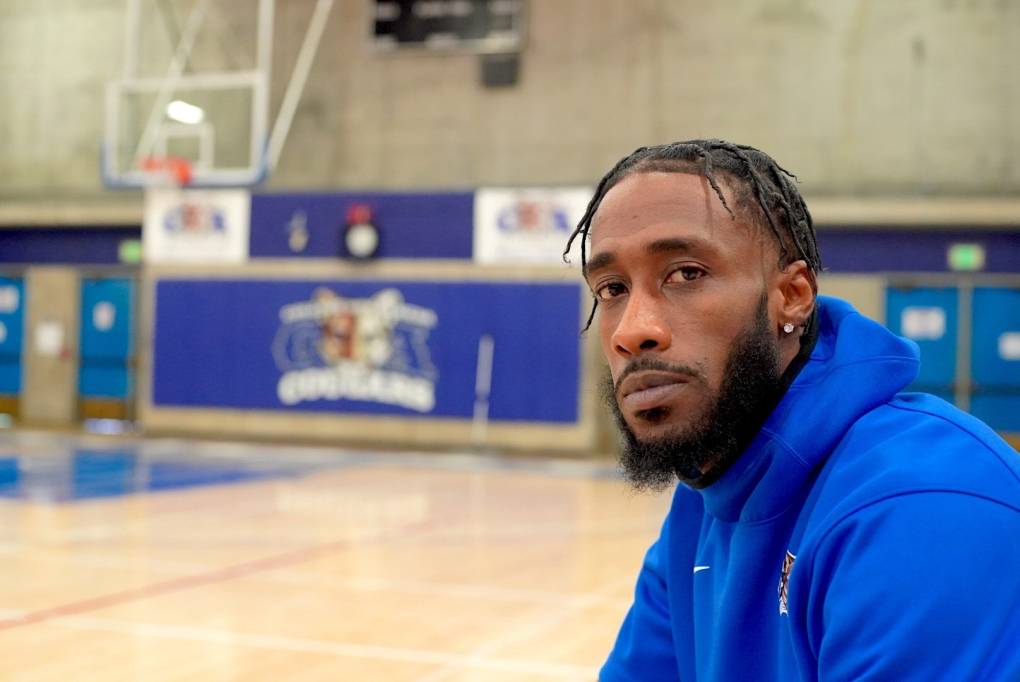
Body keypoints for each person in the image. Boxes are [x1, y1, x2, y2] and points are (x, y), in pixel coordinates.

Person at [564, 139, 1020, 681]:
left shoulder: (924, 504)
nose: (633, 330)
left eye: (685, 274)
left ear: (793, 295)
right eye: (612, 288)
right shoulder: (701, 505)